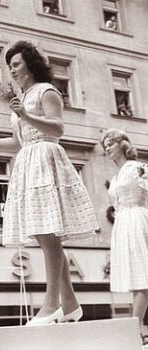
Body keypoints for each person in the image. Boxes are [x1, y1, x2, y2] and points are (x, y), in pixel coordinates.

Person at [0, 40, 99, 326]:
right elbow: (17, 141)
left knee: (48, 232)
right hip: (28, 160)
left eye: (15, 64)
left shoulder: (46, 91)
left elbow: (58, 127)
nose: (12, 71)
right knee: (44, 234)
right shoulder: (22, 99)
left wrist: (25, 114)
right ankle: (71, 303)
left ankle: (52, 304)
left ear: (30, 63)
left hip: (45, 157)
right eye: (9, 66)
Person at [102, 128, 148, 345]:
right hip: (122, 222)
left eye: (111, 142)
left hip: (137, 218)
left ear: (123, 144)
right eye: (105, 145)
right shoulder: (115, 176)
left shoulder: (136, 168)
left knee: (142, 274)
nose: (107, 147)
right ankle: (136, 326)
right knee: (134, 275)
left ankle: (136, 325)